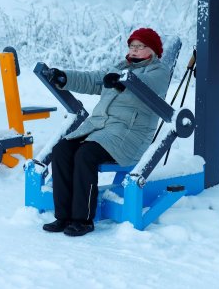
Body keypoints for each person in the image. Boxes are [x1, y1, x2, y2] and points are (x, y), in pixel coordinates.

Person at [42, 28, 170, 237]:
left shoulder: (158, 71)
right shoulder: (119, 68)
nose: (135, 50)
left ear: (153, 51)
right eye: (132, 46)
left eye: (140, 46)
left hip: (128, 134)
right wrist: (64, 77)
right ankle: (63, 216)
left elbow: (147, 86)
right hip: (100, 128)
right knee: (62, 150)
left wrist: (123, 81)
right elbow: (92, 80)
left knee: (85, 155)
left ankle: (83, 220)